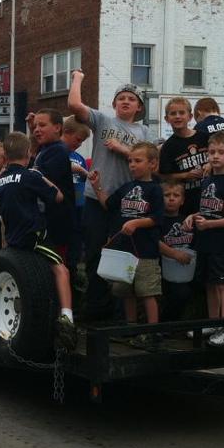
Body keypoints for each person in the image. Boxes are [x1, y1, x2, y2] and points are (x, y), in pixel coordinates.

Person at [67, 70, 156, 321]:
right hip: (96, 198)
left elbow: (151, 164)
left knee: (122, 256)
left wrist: (122, 149)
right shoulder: (103, 121)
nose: (125, 101)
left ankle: (121, 313)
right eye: (121, 98)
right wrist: (78, 77)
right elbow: (74, 104)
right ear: (114, 103)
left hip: (128, 203)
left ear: (139, 107)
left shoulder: (145, 133)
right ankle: (95, 308)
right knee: (95, 253)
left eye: (131, 99)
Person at [0, 131, 76, 348]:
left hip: (14, 237)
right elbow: (58, 197)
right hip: (34, 236)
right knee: (61, 270)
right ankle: (67, 318)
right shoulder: (31, 176)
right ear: (29, 153)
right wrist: (42, 177)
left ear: (5, 156)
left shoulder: (1, 180)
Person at [89, 142, 164, 334]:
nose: (132, 165)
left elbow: (157, 218)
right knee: (126, 292)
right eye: (130, 161)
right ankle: (130, 329)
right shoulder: (125, 187)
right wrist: (97, 186)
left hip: (145, 251)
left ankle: (152, 332)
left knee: (147, 292)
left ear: (152, 164)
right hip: (123, 252)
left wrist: (137, 223)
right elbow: (108, 204)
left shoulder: (155, 189)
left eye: (138, 161)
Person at [183, 131, 224, 347]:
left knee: (223, 284)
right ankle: (213, 322)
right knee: (209, 283)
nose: (215, 156)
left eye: (221, 152)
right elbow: (205, 209)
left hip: (223, 243)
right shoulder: (207, 180)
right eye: (212, 152)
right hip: (205, 241)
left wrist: (211, 225)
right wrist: (192, 217)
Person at [30, 109, 74, 267]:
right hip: (46, 218)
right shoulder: (45, 148)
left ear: (57, 127)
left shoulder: (58, 150)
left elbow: (43, 181)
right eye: (35, 126)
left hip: (58, 220)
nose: (36, 129)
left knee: (56, 263)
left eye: (42, 125)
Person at [158, 97, 208, 217]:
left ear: (190, 117)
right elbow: (164, 175)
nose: (177, 116)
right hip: (186, 200)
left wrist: (210, 164)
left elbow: (221, 156)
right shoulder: (168, 147)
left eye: (182, 112)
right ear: (167, 119)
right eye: (173, 113)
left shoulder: (204, 137)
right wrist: (185, 175)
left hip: (208, 195)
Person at [158, 180, 196, 321]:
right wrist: (174, 254)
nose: (172, 198)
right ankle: (166, 324)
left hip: (188, 269)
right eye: (167, 195)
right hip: (165, 271)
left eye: (176, 195)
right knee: (180, 293)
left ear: (182, 200)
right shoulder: (157, 221)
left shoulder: (188, 221)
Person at [61, 116, 91, 268]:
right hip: (62, 208)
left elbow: (85, 181)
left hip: (79, 205)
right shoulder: (56, 151)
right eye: (78, 139)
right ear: (66, 132)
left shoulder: (79, 158)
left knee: (76, 247)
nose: (79, 144)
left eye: (82, 142)